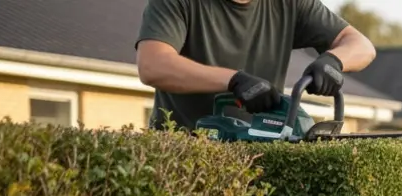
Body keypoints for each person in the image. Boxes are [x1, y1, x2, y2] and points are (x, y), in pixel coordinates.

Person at [136, 0, 377, 130]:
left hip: (259, 158)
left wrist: (334, 61)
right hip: (184, 159)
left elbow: (362, 46)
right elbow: (152, 64)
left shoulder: (290, 4)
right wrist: (233, 81)